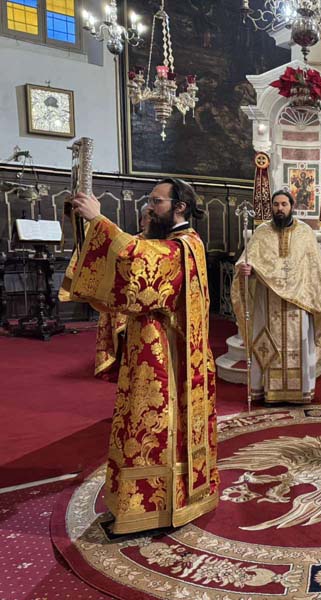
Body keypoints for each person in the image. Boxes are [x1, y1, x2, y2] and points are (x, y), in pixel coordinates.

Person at [59, 178, 219, 534]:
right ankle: (141, 504)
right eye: (150, 200)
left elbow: (136, 264)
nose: (149, 207)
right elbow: (129, 257)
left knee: (157, 425)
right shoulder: (167, 241)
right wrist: (85, 227)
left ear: (180, 206)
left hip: (169, 358)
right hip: (148, 348)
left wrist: (98, 220)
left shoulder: (184, 245)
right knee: (139, 423)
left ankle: (160, 506)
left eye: (157, 201)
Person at [234, 190, 321, 404]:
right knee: (267, 345)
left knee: (301, 346)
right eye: (276, 204)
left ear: (291, 206)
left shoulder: (305, 233)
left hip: (299, 302)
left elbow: (314, 270)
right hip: (268, 302)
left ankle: (300, 393)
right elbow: (247, 261)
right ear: (271, 207)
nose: (280, 208)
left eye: (284, 204)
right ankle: (269, 391)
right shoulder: (261, 232)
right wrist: (246, 270)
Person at [93, 205, 151, 377]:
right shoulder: (131, 243)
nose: (150, 220)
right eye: (147, 217)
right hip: (127, 294)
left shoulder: (170, 244)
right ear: (141, 221)